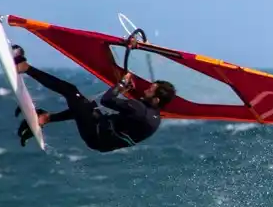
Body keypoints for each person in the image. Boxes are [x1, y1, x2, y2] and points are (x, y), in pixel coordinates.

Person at [12, 45, 173, 152]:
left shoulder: (140, 110)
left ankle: (25, 67)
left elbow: (107, 100)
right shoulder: (155, 118)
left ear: (157, 100)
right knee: (85, 106)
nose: (146, 90)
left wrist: (122, 83)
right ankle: (45, 118)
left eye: (150, 91)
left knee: (71, 91)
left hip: (96, 133)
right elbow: (133, 113)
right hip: (101, 139)